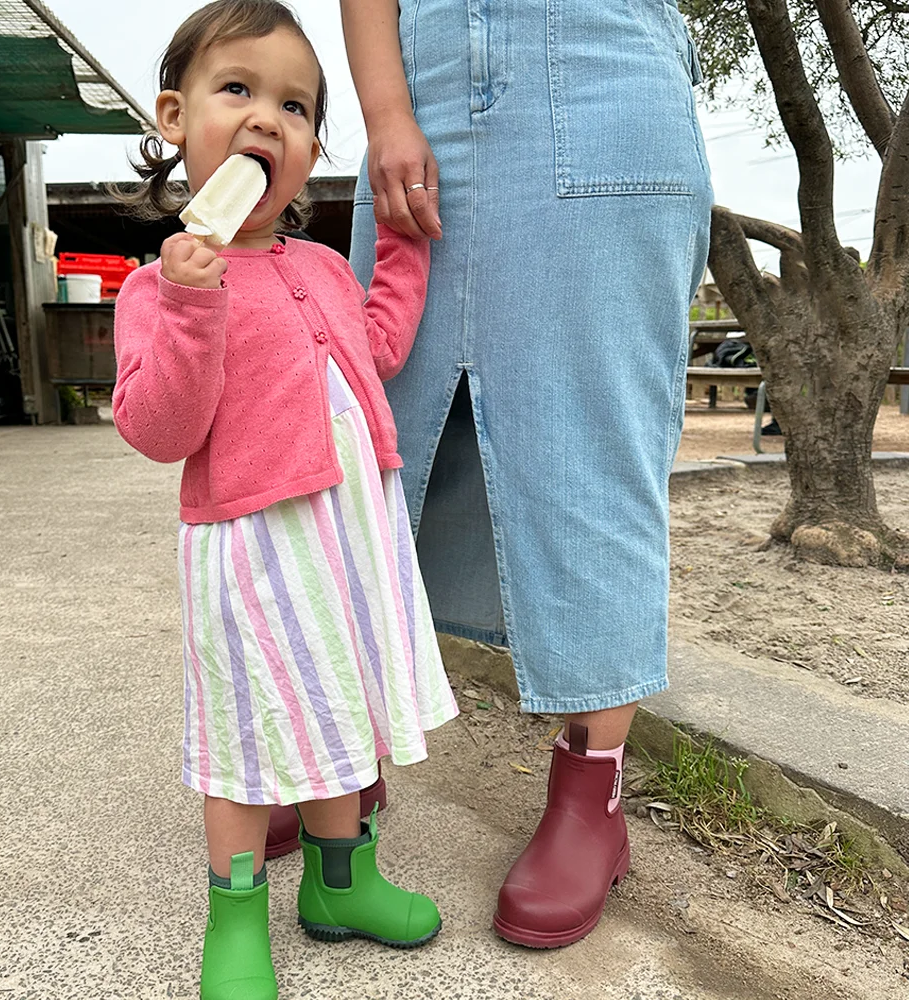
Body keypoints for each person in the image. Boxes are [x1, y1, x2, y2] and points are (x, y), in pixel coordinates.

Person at [341, 0, 713, 949]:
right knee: (364, 425)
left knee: (592, 438)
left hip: (601, 72)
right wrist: (385, 110)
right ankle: (340, 763)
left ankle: (594, 793)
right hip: (417, 86)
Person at [113, 3, 457, 996]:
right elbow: (160, 430)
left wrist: (401, 247)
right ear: (174, 118)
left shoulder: (317, 267)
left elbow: (378, 347)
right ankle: (234, 919)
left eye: (296, 106)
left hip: (352, 537)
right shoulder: (158, 287)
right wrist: (189, 301)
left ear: (312, 146)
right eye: (238, 90)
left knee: (342, 706)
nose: (268, 118)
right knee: (249, 726)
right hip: (252, 547)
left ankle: (342, 882)